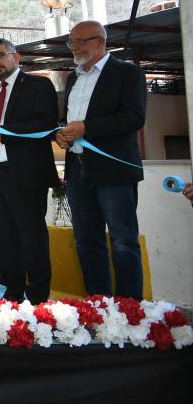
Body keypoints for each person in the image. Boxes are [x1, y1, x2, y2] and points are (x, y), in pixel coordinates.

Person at [55, 20, 147, 300]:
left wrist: (86, 128)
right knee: (86, 241)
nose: (75, 47)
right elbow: (67, 119)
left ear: (101, 42)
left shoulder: (128, 73)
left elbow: (134, 118)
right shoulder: (73, 78)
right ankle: (98, 304)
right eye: (72, 42)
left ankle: (129, 309)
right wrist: (61, 133)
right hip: (77, 169)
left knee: (123, 241)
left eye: (80, 41)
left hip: (114, 171)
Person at [0, 38, 58, 304]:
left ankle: (38, 297)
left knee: (31, 237)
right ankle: (13, 292)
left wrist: (6, 135)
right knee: (4, 238)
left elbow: (46, 124)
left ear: (16, 57)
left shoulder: (38, 85)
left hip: (26, 174)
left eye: (1, 55)